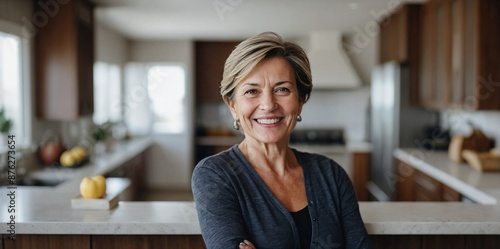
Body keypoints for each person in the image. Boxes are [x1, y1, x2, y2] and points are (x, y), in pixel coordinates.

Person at [192, 32, 371, 249]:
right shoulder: (215, 175)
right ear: (233, 107)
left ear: (300, 102)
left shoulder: (332, 175)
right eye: (251, 91)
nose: (268, 105)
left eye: (282, 89)